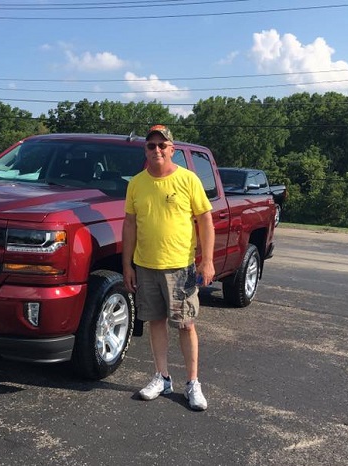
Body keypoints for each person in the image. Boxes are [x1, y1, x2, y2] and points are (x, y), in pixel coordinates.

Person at [122, 124, 215, 411]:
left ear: (172, 149)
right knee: (155, 321)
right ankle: (162, 377)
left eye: (163, 145)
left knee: (186, 325)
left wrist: (207, 260)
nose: (157, 150)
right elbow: (130, 224)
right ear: (146, 150)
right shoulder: (136, 183)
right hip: (146, 265)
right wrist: (127, 264)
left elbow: (205, 221)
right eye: (152, 146)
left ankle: (192, 383)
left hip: (181, 267)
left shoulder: (188, 180)